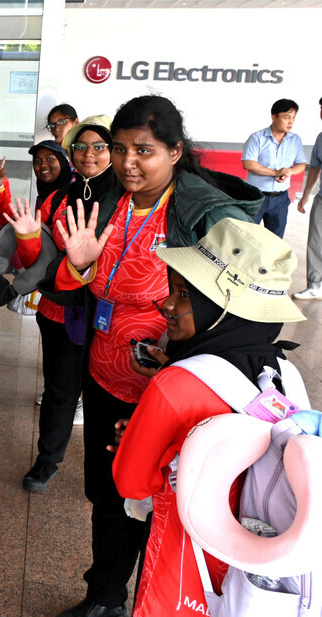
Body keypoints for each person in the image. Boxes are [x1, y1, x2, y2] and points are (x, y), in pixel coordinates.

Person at [43, 95, 262, 617]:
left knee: (155, 499)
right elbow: (71, 285)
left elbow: (243, 311)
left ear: (175, 151)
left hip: (169, 387)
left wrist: (185, 360)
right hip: (104, 370)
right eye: (119, 149)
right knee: (108, 489)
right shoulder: (110, 197)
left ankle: (153, 599)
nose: (128, 162)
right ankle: (104, 595)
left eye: (145, 150)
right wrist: (77, 268)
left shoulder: (205, 214)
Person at [113, 218, 307, 617]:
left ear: (221, 309)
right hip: (262, 566)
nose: (167, 304)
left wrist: (143, 440)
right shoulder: (284, 374)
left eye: (185, 295)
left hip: (186, 558)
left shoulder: (176, 384)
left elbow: (131, 482)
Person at [7, 115, 118, 493]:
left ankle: (113, 467)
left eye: (100, 147)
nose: (90, 155)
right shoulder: (58, 197)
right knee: (61, 388)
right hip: (61, 309)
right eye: (81, 147)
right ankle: (48, 459)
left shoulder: (128, 198)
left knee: (110, 393)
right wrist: (26, 238)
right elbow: (36, 260)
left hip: (114, 316)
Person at [242, 98, 307, 238]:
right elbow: (248, 163)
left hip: (280, 199)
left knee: (275, 241)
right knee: (246, 237)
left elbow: (301, 164)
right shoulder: (257, 138)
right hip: (255, 197)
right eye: (287, 117)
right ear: (274, 117)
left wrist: (290, 172)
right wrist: (275, 173)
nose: (291, 122)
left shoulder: (295, 140)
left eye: (293, 118)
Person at [293, 96, 322, 300]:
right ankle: (315, 285)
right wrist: (306, 195)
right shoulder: (321, 137)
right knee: (316, 241)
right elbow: (315, 168)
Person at [29, 139, 73, 209]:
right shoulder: (42, 195)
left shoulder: (76, 192)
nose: (43, 165)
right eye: (37, 161)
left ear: (62, 162)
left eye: (49, 159)